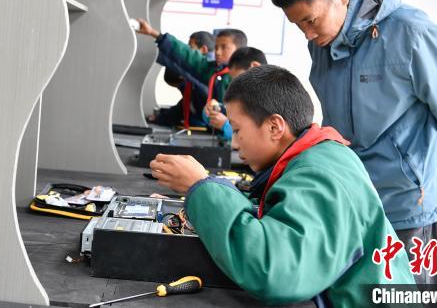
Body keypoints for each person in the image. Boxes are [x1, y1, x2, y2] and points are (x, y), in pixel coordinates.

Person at [269, 0, 437, 285]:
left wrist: (431, 176)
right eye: (298, 26)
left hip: (406, 204)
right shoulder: (321, 44)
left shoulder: (411, 32)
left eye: (311, 20)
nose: (307, 35)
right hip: (354, 197)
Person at [150, 65, 414, 307]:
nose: (235, 143)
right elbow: (283, 219)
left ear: (275, 127)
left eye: (237, 130)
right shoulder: (318, 156)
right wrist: (202, 200)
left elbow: (275, 271)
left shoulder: (318, 176)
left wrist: (202, 187)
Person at [136, 18, 247, 109]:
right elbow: (187, 54)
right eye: (216, 47)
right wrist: (154, 34)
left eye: (224, 47)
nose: (218, 52)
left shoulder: (244, 81)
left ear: (239, 50)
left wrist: (225, 125)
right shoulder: (213, 70)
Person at [150, 31, 215, 127]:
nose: (188, 51)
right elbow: (185, 104)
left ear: (204, 49)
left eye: (190, 47)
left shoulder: (209, 76)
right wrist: (161, 117)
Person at [204, 46, 267, 140]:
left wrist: (226, 126)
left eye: (239, 79)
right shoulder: (247, 96)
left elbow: (261, 137)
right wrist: (211, 110)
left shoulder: (269, 97)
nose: (238, 86)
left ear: (254, 67)